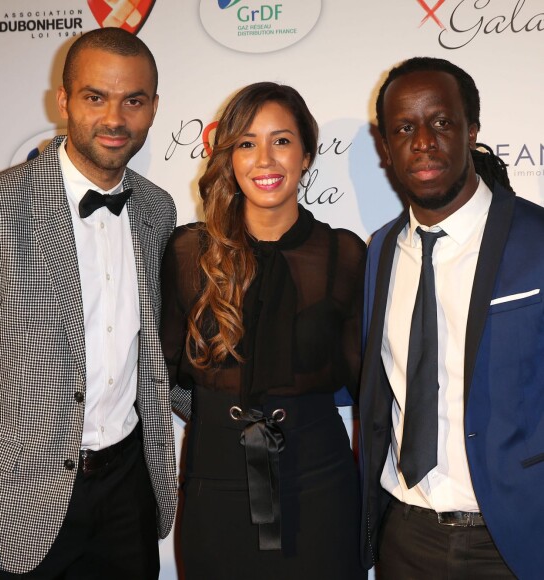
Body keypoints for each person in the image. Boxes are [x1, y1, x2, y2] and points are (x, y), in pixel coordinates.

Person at [0, 27, 186, 578]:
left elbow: (160, 355)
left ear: (153, 108)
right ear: (63, 100)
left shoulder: (158, 211)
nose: (115, 119)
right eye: (95, 97)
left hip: (128, 492)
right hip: (12, 505)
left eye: (133, 100)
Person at [161, 82, 367, 579]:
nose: (265, 160)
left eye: (282, 140)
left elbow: (369, 385)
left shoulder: (345, 254)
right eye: (247, 143)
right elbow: (161, 374)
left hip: (321, 484)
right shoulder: (189, 253)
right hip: (215, 485)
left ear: (307, 154)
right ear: (229, 156)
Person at [359, 56, 544, 579]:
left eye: (441, 122)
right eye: (404, 127)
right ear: (385, 146)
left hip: (516, 539)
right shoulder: (380, 251)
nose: (423, 141)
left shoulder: (537, 241)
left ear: (472, 131)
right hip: (406, 536)